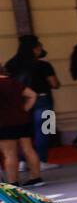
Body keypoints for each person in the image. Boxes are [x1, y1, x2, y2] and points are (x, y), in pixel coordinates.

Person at [4, 34, 61, 171]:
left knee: (24, 132)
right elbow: (54, 84)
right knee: (45, 130)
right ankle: (41, 160)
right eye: (40, 47)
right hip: (44, 99)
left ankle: (23, 161)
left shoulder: (11, 64)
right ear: (35, 49)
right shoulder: (43, 65)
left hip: (20, 101)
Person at [0, 68, 45, 196]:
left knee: (10, 154)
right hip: (23, 120)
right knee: (28, 148)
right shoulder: (13, 82)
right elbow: (32, 95)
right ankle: (36, 177)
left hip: (4, 123)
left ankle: (13, 183)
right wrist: (24, 110)